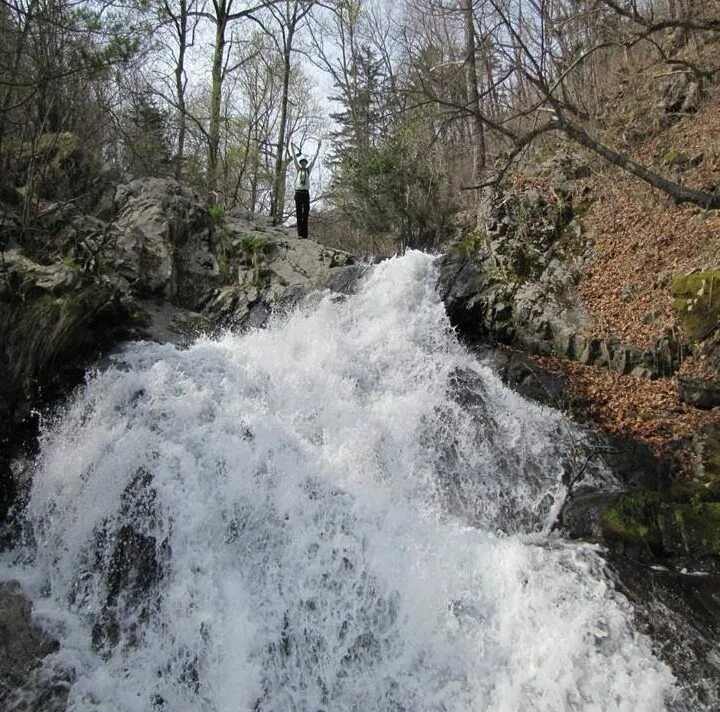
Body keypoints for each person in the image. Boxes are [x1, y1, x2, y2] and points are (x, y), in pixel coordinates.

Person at [289, 140, 321, 239]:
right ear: (300, 163)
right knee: (298, 213)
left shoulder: (308, 170)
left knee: (305, 213)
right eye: (302, 162)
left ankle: (305, 234)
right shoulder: (298, 170)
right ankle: (299, 234)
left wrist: (318, 148)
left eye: (304, 163)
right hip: (298, 192)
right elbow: (294, 158)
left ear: (306, 163)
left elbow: (314, 160)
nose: (303, 164)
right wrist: (292, 147)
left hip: (306, 193)